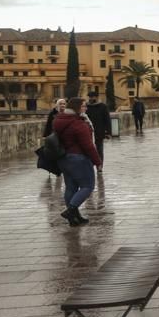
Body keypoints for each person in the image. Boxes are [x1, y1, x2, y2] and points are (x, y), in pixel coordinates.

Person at [55, 96, 102, 225]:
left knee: (71, 187)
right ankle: (70, 210)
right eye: (83, 106)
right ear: (77, 108)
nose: (86, 108)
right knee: (87, 186)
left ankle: (74, 219)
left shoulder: (59, 119)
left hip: (63, 158)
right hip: (78, 158)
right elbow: (88, 145)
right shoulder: (78, 123)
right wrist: (98, 161)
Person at [85, 92, 112, 170]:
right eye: (89, 97)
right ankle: (89, 165)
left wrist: (108, 132)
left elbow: (107, 120)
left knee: (99, 150)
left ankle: (99, 166)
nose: (90, 99)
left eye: (92, 97)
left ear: (96, 97)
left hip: (99, 132)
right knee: (88, 149)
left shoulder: (103, 106)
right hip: (88, 132)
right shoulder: (86, 106)